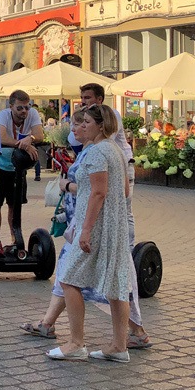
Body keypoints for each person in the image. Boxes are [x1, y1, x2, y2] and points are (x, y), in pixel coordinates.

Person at [49, 105, 134, 362]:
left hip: (97, 225)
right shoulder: (115, 149)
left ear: (100, 125)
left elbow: (99, 192)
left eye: (86, 122)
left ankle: (76, 342)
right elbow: (125, 191)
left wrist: (85, 230)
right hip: (113, 225)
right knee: (117, 282)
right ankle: (119, 346)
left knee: (69, 277)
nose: (81, 126)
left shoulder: (97, 152)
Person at [0, 89, 44, 231]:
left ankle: (15, 238)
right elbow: (1, 137)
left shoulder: (32, 113)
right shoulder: (3, 116)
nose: (24, 111)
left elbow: (39, 135)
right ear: (11, 107)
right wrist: (25, 146)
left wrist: (31, 138)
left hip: (17, 167)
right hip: (0, 165)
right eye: (19, 108)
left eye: (27, 107)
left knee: (14, 205)